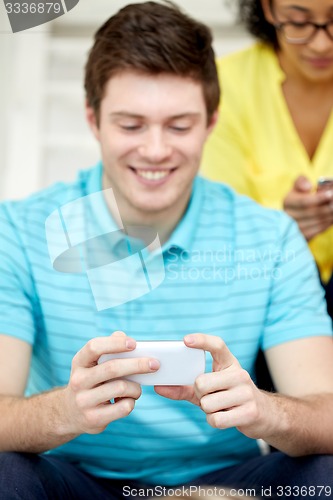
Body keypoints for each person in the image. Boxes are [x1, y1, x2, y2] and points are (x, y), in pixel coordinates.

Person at [0, 2, 333, 499]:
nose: (156, 150)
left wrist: (264, 411)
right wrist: (65, 412)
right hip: (71, 481)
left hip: (228, 484)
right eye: (131, 125)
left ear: (211, 121)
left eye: (179, 126)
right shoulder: (19, 230)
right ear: (93, 120)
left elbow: (324, 411)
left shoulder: (270, 238)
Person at [201, 0, 333, 317]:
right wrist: (279, 226)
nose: (321, 43)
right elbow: (217, 229)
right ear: (269, 9)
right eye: (299, 23)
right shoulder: (226, 85)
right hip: (259, 293)